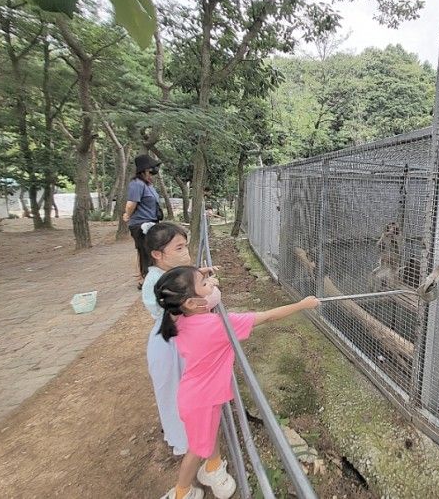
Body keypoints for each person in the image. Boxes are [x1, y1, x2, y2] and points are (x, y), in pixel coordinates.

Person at [154, 266, 320, 499]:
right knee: (196, 449)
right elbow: (269, 316)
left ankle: (212, 468)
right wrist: (303, 304)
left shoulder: (179, 317)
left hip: (196, 394)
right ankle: (181, 492)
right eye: (205, 284)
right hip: (203, 400)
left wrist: (202, 276)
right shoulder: (219, 325)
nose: (212, 284)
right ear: (191, 302)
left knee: (207, 435)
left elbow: (184, 295)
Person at [141, 222, 219, 457]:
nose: (186, 252)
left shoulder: (163, 274)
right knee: (177, 395)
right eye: (179, 248)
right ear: (157, 254)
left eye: (186, 246)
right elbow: (197, 303)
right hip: (169, 349)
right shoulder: (156, 282)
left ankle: (189, 437)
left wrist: (200, 276)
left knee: (181, 393)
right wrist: (211, 288)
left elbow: (183, 283)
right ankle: (186, 441)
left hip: (173, 342)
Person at [124, 154, 163, 286]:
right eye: (151, 167)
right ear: (145, 169)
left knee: (149, 250)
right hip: (140, 224)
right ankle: (144, 280)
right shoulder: (137, 184)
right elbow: (131, 204)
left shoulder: (148, 185)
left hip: (151, 222)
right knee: (145, 251)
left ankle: (146, 276)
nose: (154, 170)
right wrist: (127, 214)